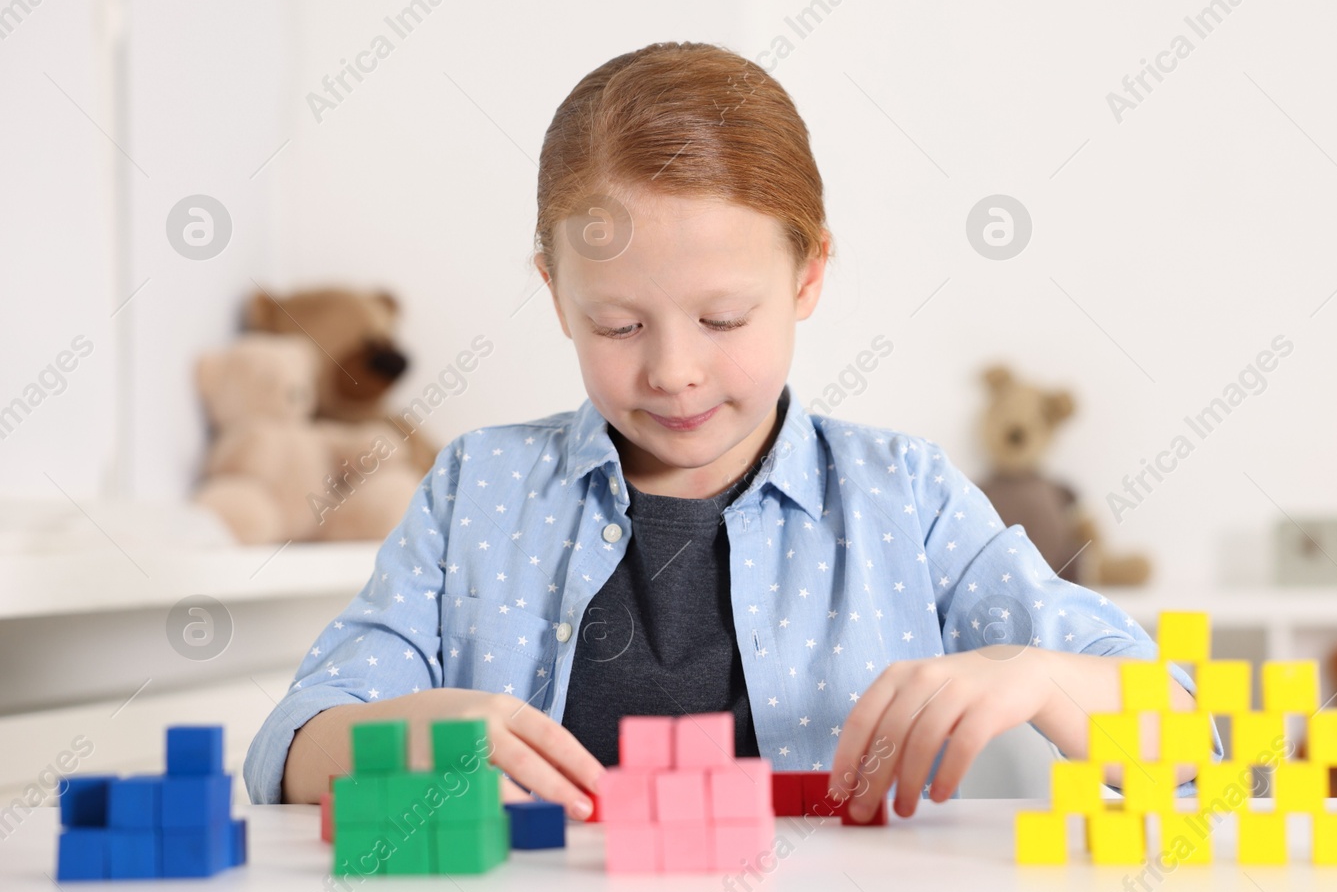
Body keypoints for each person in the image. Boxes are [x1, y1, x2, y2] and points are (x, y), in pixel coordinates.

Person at [243, 42, 1207, 821]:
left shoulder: (899, 495)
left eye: (723, 320)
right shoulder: (477, 488)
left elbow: (1196, 746)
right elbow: (289, 745)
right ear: (555, 293)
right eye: (619, 325)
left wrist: (1036, 673)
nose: (673, 370)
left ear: (808, 277)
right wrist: (414, 735)